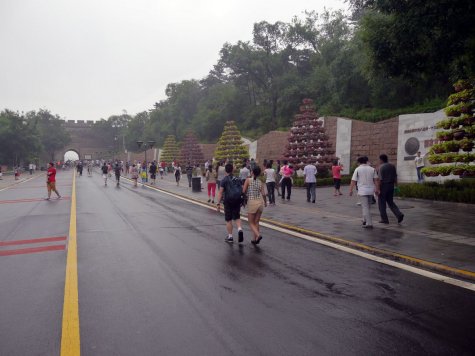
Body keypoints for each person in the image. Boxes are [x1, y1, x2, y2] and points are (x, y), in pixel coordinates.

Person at [216, 163, 244, 243]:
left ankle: (230, 237)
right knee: (237, 217)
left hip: (228, 201)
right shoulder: (238, 178)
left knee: (228, 219)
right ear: (232, 169)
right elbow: (241, 190)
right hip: (237, 200)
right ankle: (239, 229)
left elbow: (220, 192)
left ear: (225, 170)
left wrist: (218, 203)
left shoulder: (224, 180)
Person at [349, 156, 379, 228]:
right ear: (366, 161)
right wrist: (377, 189)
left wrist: (350, 190)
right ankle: (364, 220)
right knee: (368, 207)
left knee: (365, 207)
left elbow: (353, 181)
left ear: (359, 162)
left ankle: (369, 223)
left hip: (362, 191)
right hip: (370, 190)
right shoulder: (372, 169)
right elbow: (376, 180)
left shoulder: (358, 169)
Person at [243, 166, 267, 244]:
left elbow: (243, 191)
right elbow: (263, 194)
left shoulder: (248, 180)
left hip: (252, 203)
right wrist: (265, 202)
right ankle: (254, 239)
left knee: (250, 222)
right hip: (260, 203)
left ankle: (258, 235)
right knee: (256, 222)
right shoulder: (260, 182)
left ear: (252, 172)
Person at [378, 154, 404, 224]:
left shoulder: (381, 167)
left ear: (381, 159)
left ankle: (384, 219)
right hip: (391, 186)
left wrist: (378, 189)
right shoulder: (392, 166)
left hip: (383, 186)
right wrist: (396, 186)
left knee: (382, 203)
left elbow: (380, 180)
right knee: (390, 202)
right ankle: (399, 214)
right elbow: (395, 177)